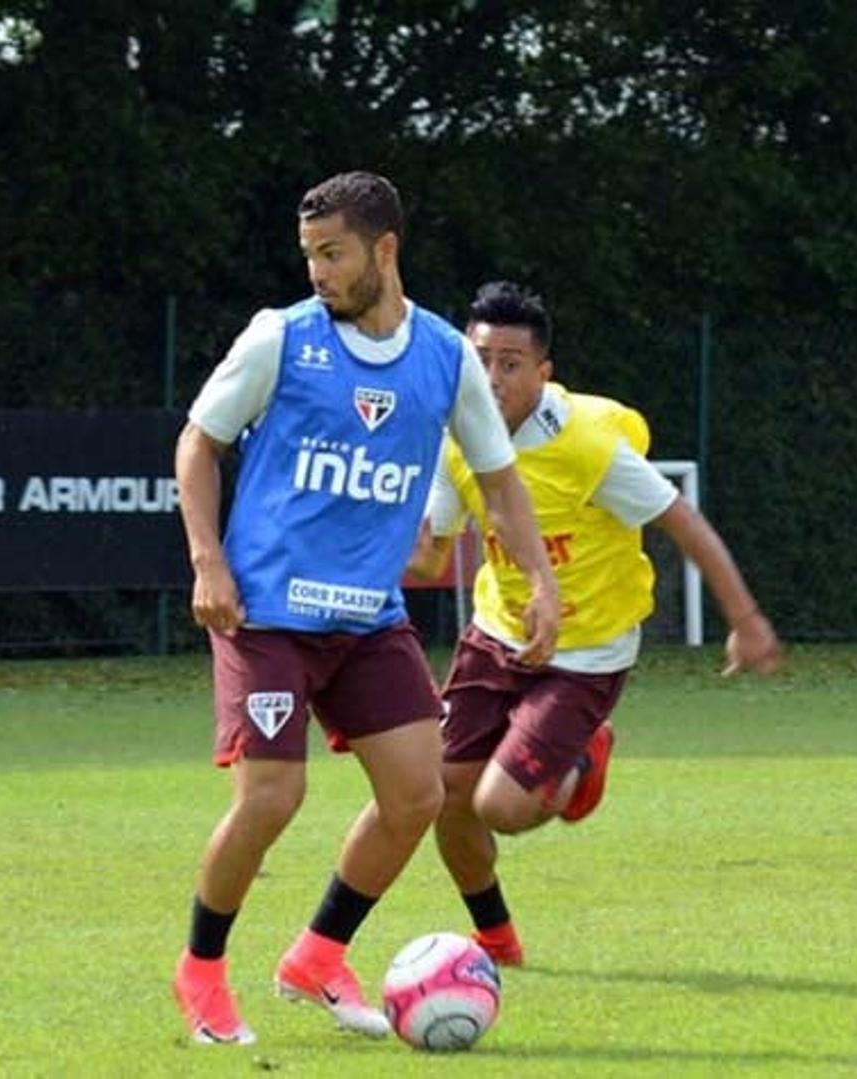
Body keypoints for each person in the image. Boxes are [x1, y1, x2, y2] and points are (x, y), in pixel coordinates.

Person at [170, 172, 561, 1045]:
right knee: (273, 795)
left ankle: (315, 955)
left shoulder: (446, 358)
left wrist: (539, 579)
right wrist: (208, 560)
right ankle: (200, 974)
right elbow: (198, 441)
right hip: (265, 612)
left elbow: (499, 481)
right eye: (309, 254)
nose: (316, 271)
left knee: (418, 794)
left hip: (366, 616)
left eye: (332, 253)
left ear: (384, 250)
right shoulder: (281, 339)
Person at [408, 281, 783, 966]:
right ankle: (495, 935)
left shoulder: (584, 446)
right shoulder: (453, 437)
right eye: (481, 357)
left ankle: (583, 756)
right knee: (444, 795)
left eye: (511, 362)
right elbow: (431, 548)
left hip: (587, 653)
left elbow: (683, 522)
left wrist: (746, 618)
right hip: (496, 635)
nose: (492, 377)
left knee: (500, 806)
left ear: (542, 372)